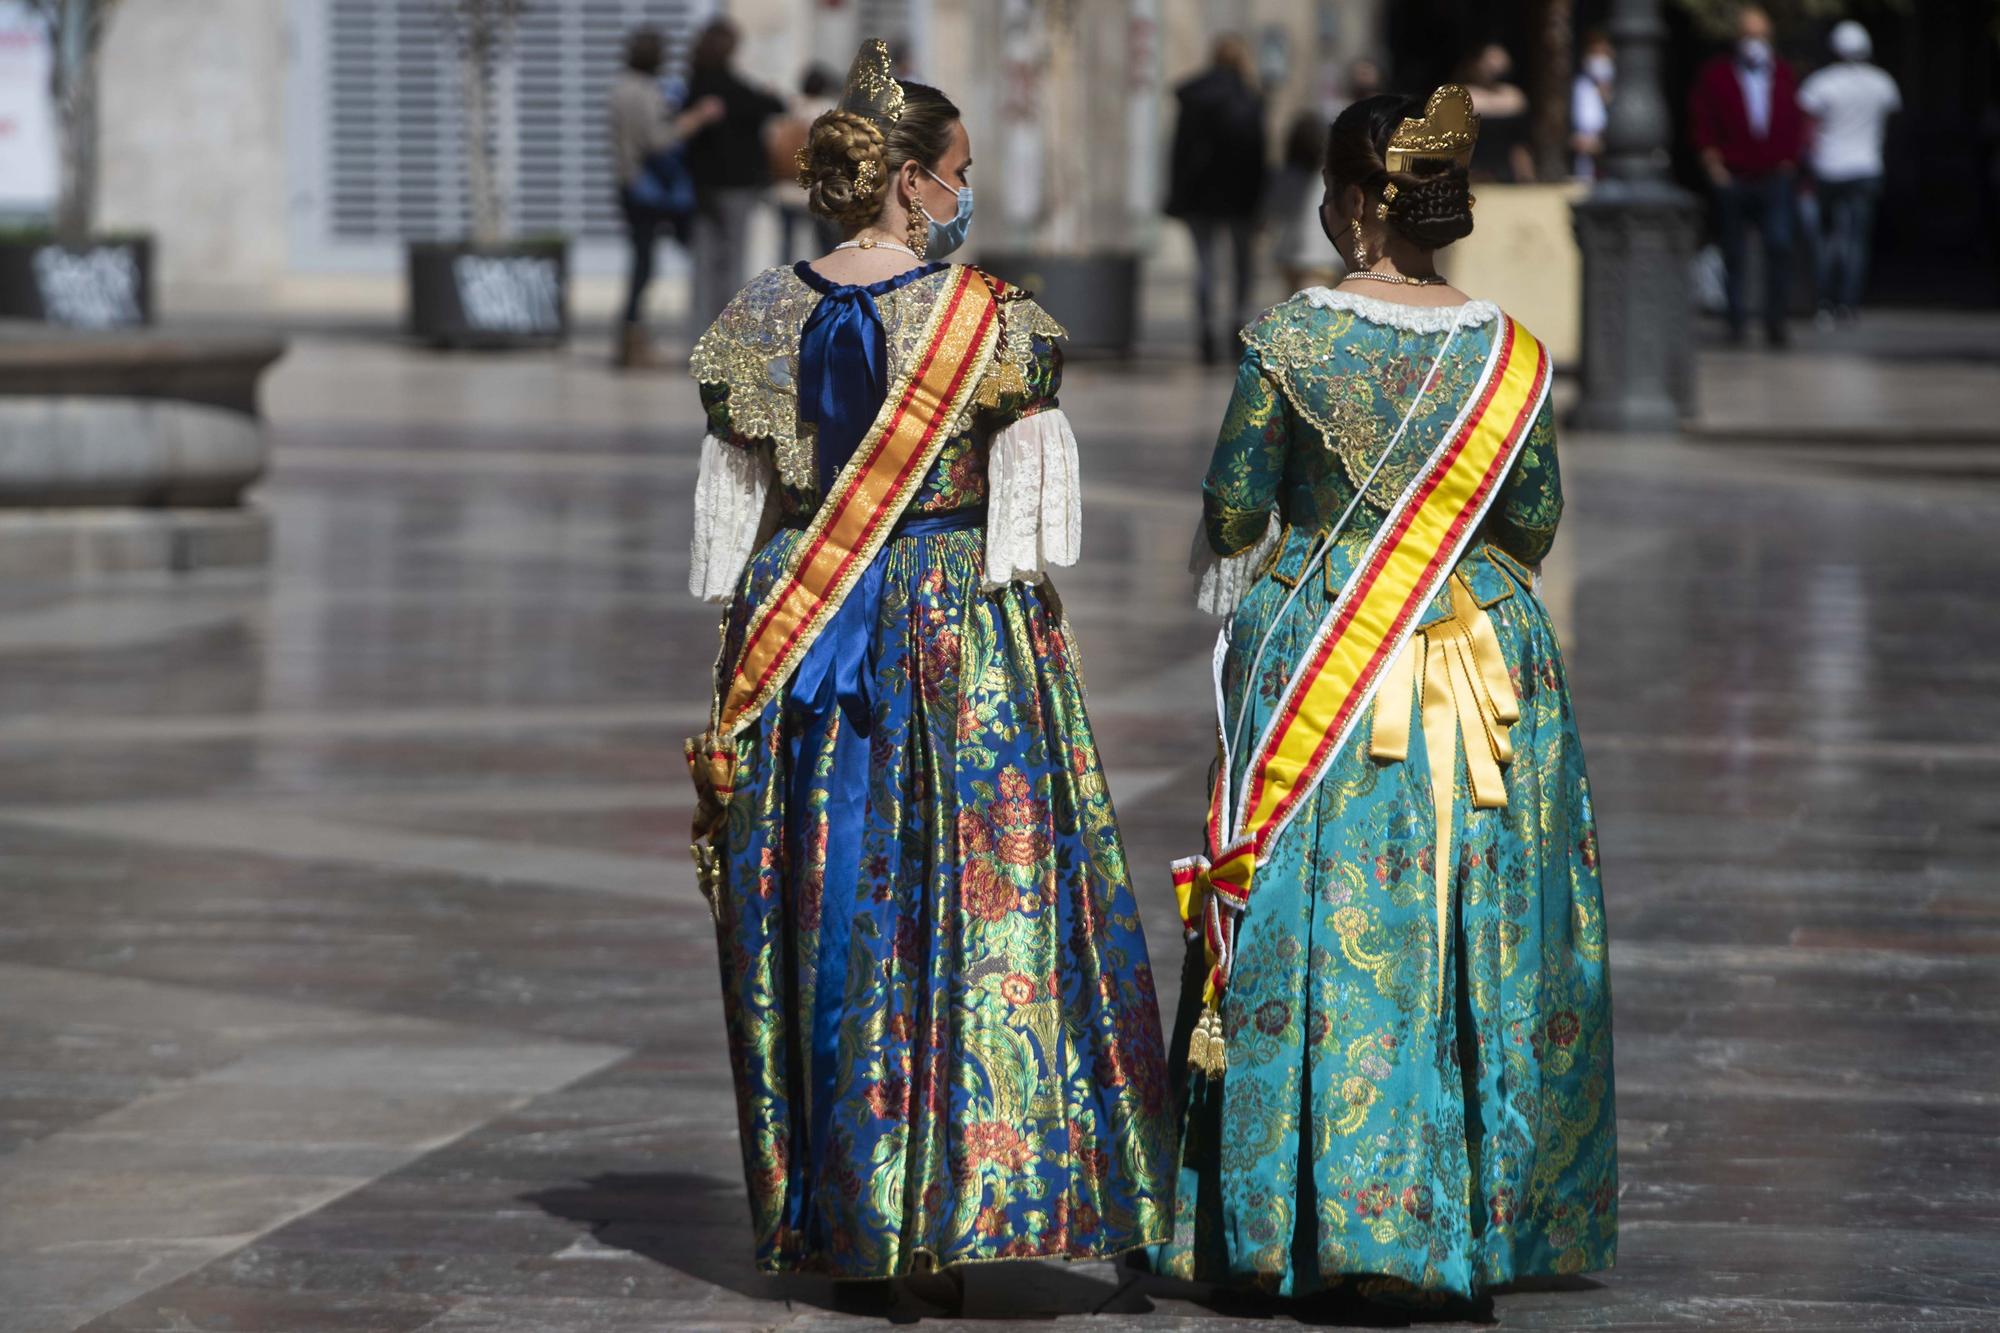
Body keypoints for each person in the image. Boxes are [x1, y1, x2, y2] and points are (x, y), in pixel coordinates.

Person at [682, 40, 1174, 1308]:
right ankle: (975, 1193)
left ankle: (852, 1208)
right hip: (958, 628)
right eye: (953, 173)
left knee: (830, 896)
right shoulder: (993, 324)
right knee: (976, 895)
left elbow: (731, 522)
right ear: (906, 181)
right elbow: (1035, 524)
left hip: (802, 628)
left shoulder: (757, 316)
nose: (963, 195)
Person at [1148, 87, 1617, 1311]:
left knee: (1311, 911)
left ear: (1355, 204)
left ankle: (1289, 1215)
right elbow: (1532, 521)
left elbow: (1233, 513)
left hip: (1326, 647)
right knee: (1477, 915)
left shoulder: (1285, 342)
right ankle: (1470, 1211)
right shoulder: (1508, 354)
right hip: (1476, 660)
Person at [1689, 5, 1806, 346]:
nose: (1754, 42)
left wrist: (1790, 161)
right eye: (1748, 35)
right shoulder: (1717, 75)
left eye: (1760, 35)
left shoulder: (1783, 73)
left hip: (1774, 176)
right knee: (1734, 253)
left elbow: (1795, 121)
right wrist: (1714, 166)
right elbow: (1702, 121)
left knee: (1779, 246)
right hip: (1734, 176)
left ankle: (1776, 322)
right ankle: (1737, 322)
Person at [607, 27, 722, 369]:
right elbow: (658, 140)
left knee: (642, 262)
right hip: (651, 190)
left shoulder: (617, 88)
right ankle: (635, 340)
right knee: (667, 258)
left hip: (629, 186)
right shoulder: (644, 92)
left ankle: (630, 337)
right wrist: (695, 119)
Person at [1166, 35, 1267, 365]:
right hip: (1240, 196)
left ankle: (1207, 333)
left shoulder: (1193, 96)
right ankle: (1237, 327)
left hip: (1198, 196)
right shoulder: (1248, 97)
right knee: (1241, 266)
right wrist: (1260, 199)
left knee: (1205, 266)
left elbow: (1179, 151)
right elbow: (1257, 155)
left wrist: (1176, 194)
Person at [685, 19, 787, 327]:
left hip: (702, 185)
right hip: (735, 186)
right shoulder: (731, 88)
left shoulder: (696, 84)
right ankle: (725, 333)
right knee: (731, 260)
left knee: (703, 261)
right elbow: (773, 105)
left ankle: (698, 333)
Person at [1799, 21, 1900, 324]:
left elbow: (1808, 130)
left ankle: (1825, 302)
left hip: (1829, 168)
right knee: (1856, 242)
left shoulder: (1822, 83)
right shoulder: (1882, 83)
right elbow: (1891, 124)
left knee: (1827, 240)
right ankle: (1848, 303)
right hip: (1866, 167)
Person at [770, 64, 843, 263]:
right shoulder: (828, 112)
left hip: (785, 186)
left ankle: (783, 285)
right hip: (816, 188)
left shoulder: (789, 109)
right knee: (825, 243)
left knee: (786, 244)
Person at [1270, 111, 1339, 294]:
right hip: (1324, 255)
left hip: (1289, 253)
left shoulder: (1286, 175)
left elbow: (1273, 209)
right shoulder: (1331, 177)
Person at [1461, 43, 1535, 183]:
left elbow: (1520, 143)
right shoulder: (1463, 96)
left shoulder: (1515, 98)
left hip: (1507, 172)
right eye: (1490, 59)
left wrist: (1526, 174)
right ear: (1477, 63)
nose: (1494, 66)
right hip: (1475, 173)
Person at [1570, 28, 1615, 180]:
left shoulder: (1622, 86)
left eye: (1603, 53)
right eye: (1594, 53)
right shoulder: (1580, 85)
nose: (1599, 59)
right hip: (1585, 158)